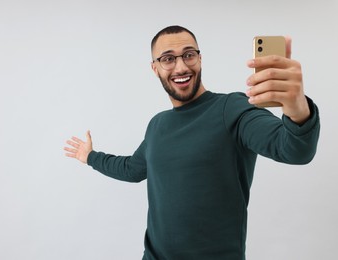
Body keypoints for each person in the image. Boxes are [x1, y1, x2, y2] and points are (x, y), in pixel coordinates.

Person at [64, 25, 320, 260]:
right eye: (168, 58)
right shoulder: (157, 125)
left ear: (200, 59)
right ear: (155, 68)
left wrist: (297, 109)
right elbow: (133, 169)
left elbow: (293, 149)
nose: (181, 67)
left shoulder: (231, 108)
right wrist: (90, 156)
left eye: (189, 55)